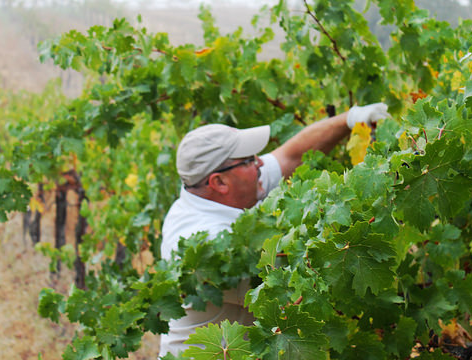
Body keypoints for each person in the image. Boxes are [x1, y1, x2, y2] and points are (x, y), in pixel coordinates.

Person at [158, 103, 390, 357]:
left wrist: (352, 118)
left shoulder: (216, 193)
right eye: (248, 160)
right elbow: (293, 285)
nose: (259, 163)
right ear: (219, 182)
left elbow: (291, 156)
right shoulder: (205, 248)